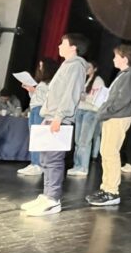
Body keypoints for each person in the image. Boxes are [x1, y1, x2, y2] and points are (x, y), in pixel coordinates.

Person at [20, 34, 88, 217]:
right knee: (46, 159)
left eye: (63, 43)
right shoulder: (67, 65)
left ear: (73, 47)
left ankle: (53, 200)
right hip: (52, 116)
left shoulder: (76, 66)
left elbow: (70, 93)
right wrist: (48, 116)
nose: (59, 46)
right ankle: (46, 195)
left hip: (60, 118)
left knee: (54, 160)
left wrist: (59, 117)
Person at [86, 45, 131, 206]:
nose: (113, 59)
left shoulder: (129, 75)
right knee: (106, 152)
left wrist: (105, 112)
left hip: (117, 117)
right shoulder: (123, 74)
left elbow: (122, 100)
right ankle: (106, 187)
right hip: (112, 117)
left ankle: (112, 191)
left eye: (116, 56)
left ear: (124, 58)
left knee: (110, 153)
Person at [17, 58, 58, 176]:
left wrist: (34, 90)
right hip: (35, 108)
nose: (40, 68)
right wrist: (31, 90)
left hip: (41, 110)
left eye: (42, 66)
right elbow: (36, 97)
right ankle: (34, 163)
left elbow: (49, 98)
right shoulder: (41, 82)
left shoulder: (52, 82)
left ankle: (38, 165)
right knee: (34, 137)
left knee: (38, 137)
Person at [68, 60, 106, 177]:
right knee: (77, 141)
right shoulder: (83, 79)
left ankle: (83, 167)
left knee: (84, 141)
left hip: (91, 112)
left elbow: (99, 98)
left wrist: (86, 98)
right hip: (80, 110)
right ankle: (77, 165)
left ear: (95, 69)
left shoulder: (98, 81)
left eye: (89, 67)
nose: (86, 68)